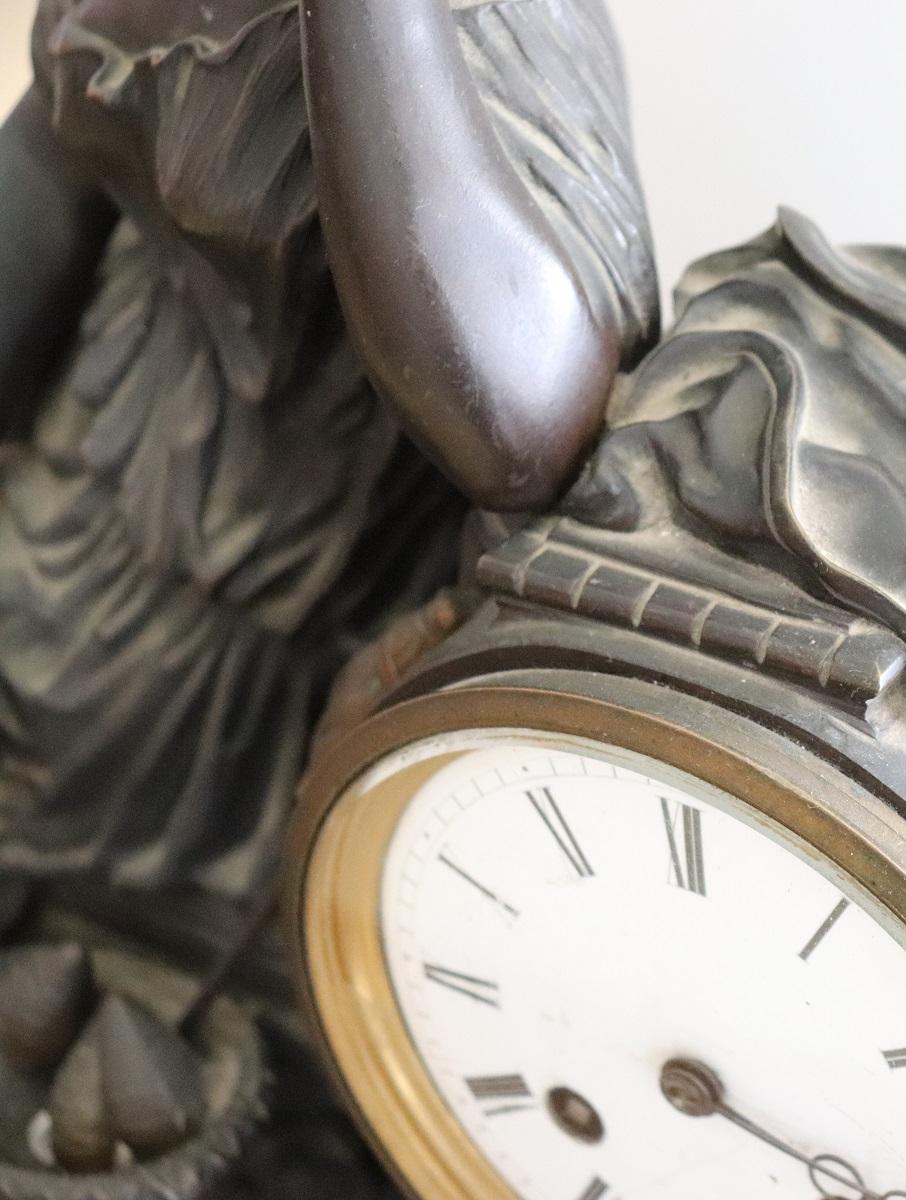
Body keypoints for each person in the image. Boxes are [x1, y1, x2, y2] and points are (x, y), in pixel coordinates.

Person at [0, 0, 658, 901]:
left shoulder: (510, 27)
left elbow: (523, 431)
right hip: (82, 516)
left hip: (268, 651)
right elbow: (55, 152)